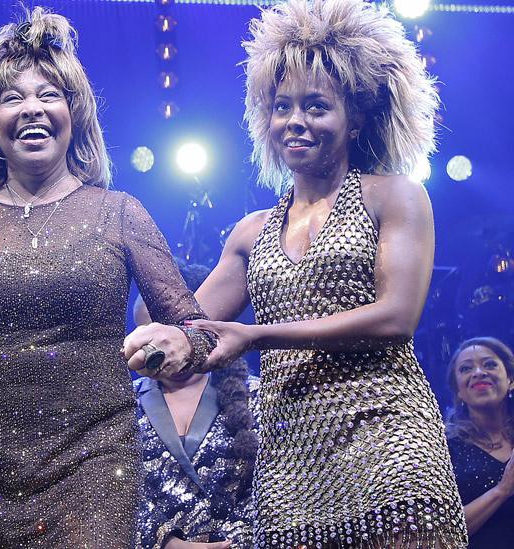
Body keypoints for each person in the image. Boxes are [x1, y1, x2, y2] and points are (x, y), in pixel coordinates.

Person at [0, 8, 214, 548]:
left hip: (98, 459)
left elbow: (199, 330)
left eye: (49, 94)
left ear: (74, 114)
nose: (31, 108)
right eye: (12, 97)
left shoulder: (118, 211)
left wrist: (181, 344)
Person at [187, 0, 466, 546]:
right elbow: (191, 327)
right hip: (291, 463)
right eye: (283, 106)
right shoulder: (250, 232)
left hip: (390, 444)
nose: (296, 121)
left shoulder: (395, 196)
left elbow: (395, 318)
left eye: (316, 106)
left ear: (354, 117)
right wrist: (131, 251)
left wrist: (257, 335)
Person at [133, 263, 258, 549]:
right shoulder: (122, 406)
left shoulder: (257, 396)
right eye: (147, 341)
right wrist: (165, 542)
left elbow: (278, 485)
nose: (160, 351)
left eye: (167, 336)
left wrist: (234, 543)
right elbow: (108, 490)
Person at [444, 337, 514, 548]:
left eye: (489, 364)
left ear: (511, 379)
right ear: (458, 390)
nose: (478, 372)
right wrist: (502, 491)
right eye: (466, 369)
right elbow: (443, 532)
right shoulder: (445, 449)